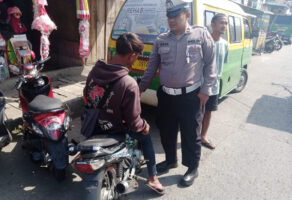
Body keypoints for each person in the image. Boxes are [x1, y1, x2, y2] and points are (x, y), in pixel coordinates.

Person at [139, 0, 216, 187]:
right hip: (166, 96)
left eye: (176, 16)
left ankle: (192, 168)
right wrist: (138, 89)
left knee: (191, 134)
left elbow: (210, 64)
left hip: (191, 96)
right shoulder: (161, 39)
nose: (171, 20)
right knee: (166, 131)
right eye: (169, 17)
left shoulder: (200, 34)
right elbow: (150, 69)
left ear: (187, 15)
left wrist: (206, 90)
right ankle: (170, 160)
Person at [83, 32, 165, 194]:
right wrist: (144, 126)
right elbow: (134, 123)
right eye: (137, 56)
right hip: (116, 129)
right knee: (145, 134)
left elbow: (87, 95)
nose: (136, 59)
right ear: (132, 55)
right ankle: (152, 178)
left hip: (94, 123)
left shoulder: (95, 71)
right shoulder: (129, 84)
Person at [201, 13, 229, 150]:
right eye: (221, 22)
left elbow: (221, 64)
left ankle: (203, 137)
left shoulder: (225, 44)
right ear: (213, 25)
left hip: (215, 86)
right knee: (194, 114)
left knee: (208, 113)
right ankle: (191, 138)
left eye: (226, 23)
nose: (224, 26)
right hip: (200, 86)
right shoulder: (204, 42)